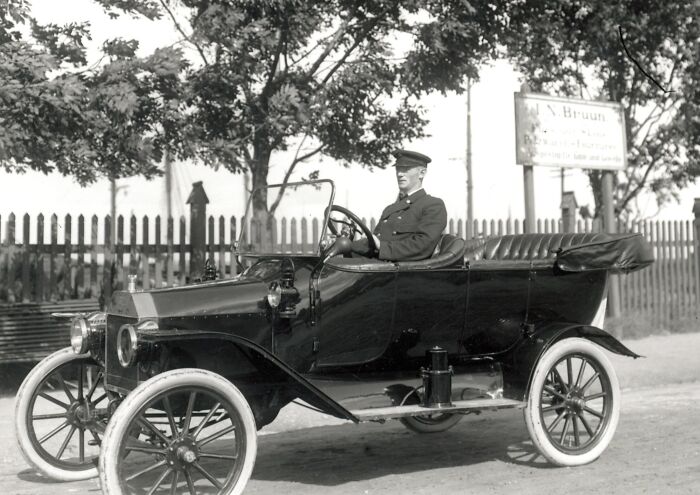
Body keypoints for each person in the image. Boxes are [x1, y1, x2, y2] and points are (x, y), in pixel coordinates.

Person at [352, 149, 447, 261]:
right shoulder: (390, 209)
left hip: (407, 273)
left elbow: (423, 246)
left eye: (406, 169)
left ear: (422, 173)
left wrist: (382, 247)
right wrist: (348, 244)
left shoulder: (433, 205)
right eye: (398, 168)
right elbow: (374, 243)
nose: (399, 174)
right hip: (380, 268)